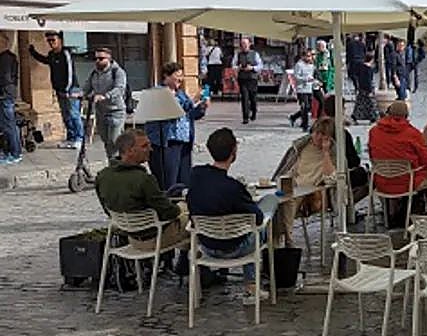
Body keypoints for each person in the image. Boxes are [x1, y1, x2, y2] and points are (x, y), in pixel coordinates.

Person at [187, 128, 277, 303]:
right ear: (233, 152)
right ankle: (252, 284)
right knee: (267, 210)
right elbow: (258, 219)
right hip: (234, 248)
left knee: (247, 223)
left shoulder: (196, 175)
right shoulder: (234, 188)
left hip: (205, 244)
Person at [94, 129, 187, 252]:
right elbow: (170, 213)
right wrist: (181, 207)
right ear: (130, 151)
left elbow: (107, 210)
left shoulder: (102, 176)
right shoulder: (144, 180)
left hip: (131, 236)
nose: (151, 149)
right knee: (193, 220)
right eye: (145, 146)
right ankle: (190, 266)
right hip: (154, 239)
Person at [369, 100, 427, 225]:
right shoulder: (412, 133)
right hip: (407, 182)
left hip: (382, 181)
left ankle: (392, 214)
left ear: (388, 113)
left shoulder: (374, 132)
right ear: (406, 116)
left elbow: (372, 156)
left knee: (395, 178)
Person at [273, 117, 339, 245]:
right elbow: (292, 170)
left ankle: (287, 240)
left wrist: (325, 152)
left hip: (312, 194)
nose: (318, 137)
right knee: (273, 201)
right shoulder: (302, 147)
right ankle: (276, 240)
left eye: (323, 134)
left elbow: (331, 179)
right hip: (295, 187)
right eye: (316, 132)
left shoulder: (332, 154)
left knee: (288, 201)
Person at [145, 62, 207, 191]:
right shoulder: (158, 92)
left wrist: (201, 108)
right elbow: (171, 111)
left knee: (184, 181)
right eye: (177, 75)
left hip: (183, 141)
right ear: (166, 76)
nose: (181, 79)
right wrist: (192, 102)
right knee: (169, 182)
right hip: (166, 143)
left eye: (182, 75)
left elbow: (189, 115)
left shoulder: (181, 93)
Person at [28, 31, 82, 148]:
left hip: (71, 89)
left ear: (60, 40)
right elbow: (46, 60)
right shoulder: (52, 54)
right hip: (59, 90)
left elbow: (70, 72)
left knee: (74, 114)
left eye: (53, 40)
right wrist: (33, 52)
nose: (51, 43)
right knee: (66, 115)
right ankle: (70, 138)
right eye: (49, 41)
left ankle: (79, 138)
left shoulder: (65, 53)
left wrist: (67, 89)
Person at [81, 46, 127, 162]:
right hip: (101, 112)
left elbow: (119, 89)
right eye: (95, 58)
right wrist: (81, 94)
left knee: (114, 141)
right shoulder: (94, 73)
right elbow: (87, 87)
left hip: (115, 112)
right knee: (106, 141)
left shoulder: (117, 72)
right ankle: (112, 165)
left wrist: (105, 96)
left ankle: (119, 166)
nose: (97, 61)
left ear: (109, 59)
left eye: (101, 58)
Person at [0, 34, 21, 164]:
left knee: (9, 125)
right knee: (7, 124)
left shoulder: (5, 59)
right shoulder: (9, 57)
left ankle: (15, 153)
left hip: (5, 94)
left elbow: (6, 78)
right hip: (7, 93)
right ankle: (11, 151)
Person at [234, 37, 263, 125]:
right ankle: (245, 117)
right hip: (242, 79)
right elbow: (233, 65)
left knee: (253, 98)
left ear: (249, 44)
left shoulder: (255, 54)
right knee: (244, 98)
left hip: (252, 78)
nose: (244, 46)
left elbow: (260, 65)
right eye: (242, 44)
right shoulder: (238, 54)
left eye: (246, 44)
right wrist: (238, 68)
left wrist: (252, 68)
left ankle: (254, 111)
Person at [289, 48, 316, 130]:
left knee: (309, 107)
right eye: (307, 56)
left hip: (309, 88)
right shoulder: (299, 65)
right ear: (303, 57)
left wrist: (314, 81)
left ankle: (294, 117)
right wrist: (305, 79)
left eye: (310, 56)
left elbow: (312, 75)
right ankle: (305, 124)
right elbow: (296, 77)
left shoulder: (311, 65)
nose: (309, 58)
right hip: (301, 89)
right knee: (304, 106)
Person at [386, 36, 409, 101]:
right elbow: (393, 67)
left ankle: (399, 106)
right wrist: (395, 78)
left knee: (403, 95)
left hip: (403, 76)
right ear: (397, 46)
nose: (401, 47)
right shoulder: (394, 55)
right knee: (401, 95)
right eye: (400, 45)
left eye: (403, 45)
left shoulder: (402, 54)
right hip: (398, 76)